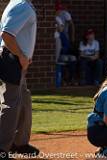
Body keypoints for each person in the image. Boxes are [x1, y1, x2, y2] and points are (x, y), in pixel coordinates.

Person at [0, 0, 39, 159]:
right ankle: (1, 148)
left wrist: (24, 57)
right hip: (13, 59)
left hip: (16, 60)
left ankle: (19, 142)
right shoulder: (21, 4)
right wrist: (22, 56)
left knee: (24, 101)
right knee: (11, 104)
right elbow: (7, 35)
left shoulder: (20, 3)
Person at [55, 6, 77, 86]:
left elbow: (66, 46)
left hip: (63, 52)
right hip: (59, 55)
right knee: (64, 58)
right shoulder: (56, 36)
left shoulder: (63, 35)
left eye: (61, 26)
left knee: (73, 58)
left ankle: (71, 79)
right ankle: (62, 80)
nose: (60, 27)